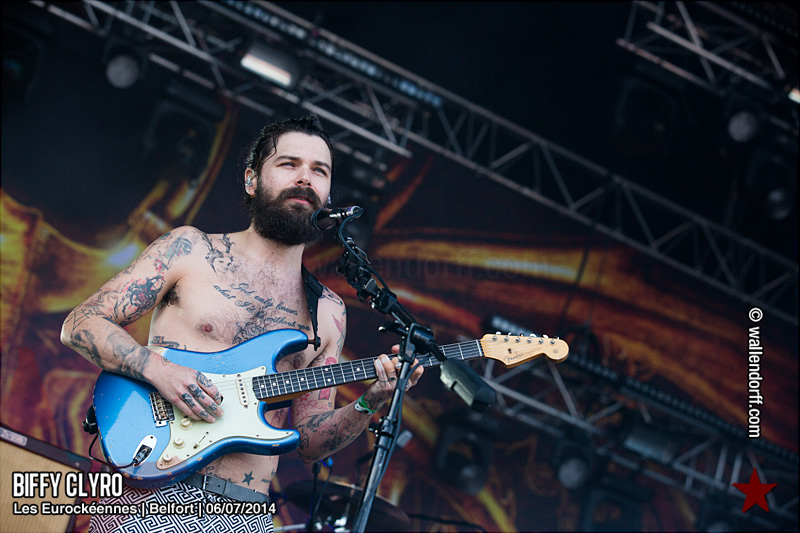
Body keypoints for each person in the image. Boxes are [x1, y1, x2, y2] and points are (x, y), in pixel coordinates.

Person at [61, 116, 424, 532]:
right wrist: (158, 370)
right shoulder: (189, 250)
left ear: (327, 195)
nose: (305, 178)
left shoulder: (328, 312)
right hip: (151, 494)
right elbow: (81, 322)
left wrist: (372, 399)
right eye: (289, 164)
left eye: (319, 171)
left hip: (242, 512)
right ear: (252, 180)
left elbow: (310, 442)